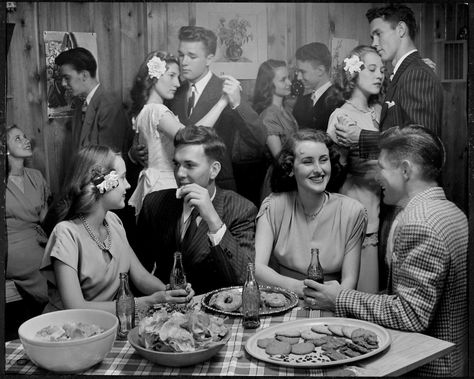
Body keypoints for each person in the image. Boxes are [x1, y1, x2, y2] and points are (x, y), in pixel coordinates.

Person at [303, 125, 468, 377]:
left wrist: (340, 297)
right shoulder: (450, 211)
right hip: (449, 359)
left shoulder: (419, 223)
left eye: (381, 167)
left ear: (405, 170)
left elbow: (411, 315)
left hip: (427, 366)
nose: (377, 176)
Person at [334, 5, 444, 288]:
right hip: (372, 203)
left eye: (378, 33)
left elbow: (420, 143)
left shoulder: (415, 73)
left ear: (401, 30)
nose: (374, 41)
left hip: (408, 200)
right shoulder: (403, 75)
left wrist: (361, 138)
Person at [40, 145, 194, 314]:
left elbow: (141, 277)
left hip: (105, 324)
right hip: (65, 331)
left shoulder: (113, 222)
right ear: (101, 184)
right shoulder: (66, 233)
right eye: (122, 178)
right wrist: (146, 302)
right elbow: (75, 307)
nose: (128, 185)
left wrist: (172, 292)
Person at [135, 125, 257, 295]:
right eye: (176, 164)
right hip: (166, 311)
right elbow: (137, 270)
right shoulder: (154, 203)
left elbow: (244, 279)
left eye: (190, 165)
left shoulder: (241, 209)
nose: (180, 173)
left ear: (214, 170)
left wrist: (213, 220)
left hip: (216, 312)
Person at [255, 129, 368, 298]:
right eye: (308, 162)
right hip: (283, 300)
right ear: (290, 168)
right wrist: (299, 288)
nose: (318, 169)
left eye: (323, 160)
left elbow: (349, 283)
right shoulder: (273, 206)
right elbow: (257, 269)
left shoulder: (352, 212)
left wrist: (327, 299)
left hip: (332, 305)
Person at [127, 51, 230, 217]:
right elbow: (191, 138)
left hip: (152, 183)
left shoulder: (144, 111)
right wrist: (223, 102)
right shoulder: (157, 110)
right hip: (165, 185)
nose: (177, 83)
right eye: (171, 75)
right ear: (154, 77)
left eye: (178, 77)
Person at [167, 25, 265, 194]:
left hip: (218, 185)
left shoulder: (226, 89)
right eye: (181, 55)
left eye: (192, 56)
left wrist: (236, 103)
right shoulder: (174, 90)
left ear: (209, 59)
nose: (184, 62)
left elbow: (259, 139)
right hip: (178, 184)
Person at [326, 45, 385, 293]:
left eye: (382, 70)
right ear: (353, 74)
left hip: (385, 210)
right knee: (363, 294)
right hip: (359, 208)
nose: (379, 75)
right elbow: (332, 171)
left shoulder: (382, 111)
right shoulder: (341, 116)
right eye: (371, 69)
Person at [5, 125, 50, 339]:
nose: (25, 140)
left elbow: (45, 217)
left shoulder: (35, 176)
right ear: (4, 148)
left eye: (24, 136)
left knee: (60, 261)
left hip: (38, 237)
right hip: (12, 246)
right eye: (17, 138)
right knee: (43, 274)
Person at [253, 59, 299, 202]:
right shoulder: (269, 115)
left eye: (289, 78)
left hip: (294, 175)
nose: (289, 83)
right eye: (283, 80)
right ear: (269, 84)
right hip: (280, 181)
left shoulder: (285, 110)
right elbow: (281, 159)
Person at [292, 42, 337, 132]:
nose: (299, 77)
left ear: (320, 70)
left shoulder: (338, 102)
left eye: (303, 72)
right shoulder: (302, 101)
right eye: (298, 72)